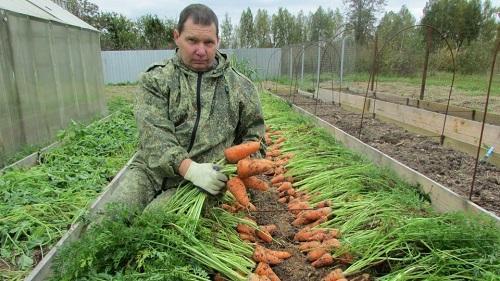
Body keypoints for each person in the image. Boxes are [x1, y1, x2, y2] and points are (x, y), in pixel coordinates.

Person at [106, 4, 265, 213]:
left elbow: (256, 141)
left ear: (218, 41)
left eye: (208, 42)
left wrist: (232, 172)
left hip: (204, 182)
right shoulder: (156, 79)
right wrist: (189, 168)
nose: (201, 50)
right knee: (110, 216)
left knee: (156, 220)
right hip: (151, 171)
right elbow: (155, 135)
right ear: (177, 36)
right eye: (192, 40)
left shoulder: (240, 86)